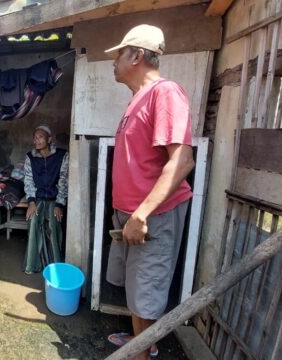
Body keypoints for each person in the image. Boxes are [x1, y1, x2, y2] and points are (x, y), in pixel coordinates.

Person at [103, 24, 195, 359]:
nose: (113, 62)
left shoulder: (165, 92)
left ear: (137, 55)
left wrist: (141, 214)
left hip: (152, 217)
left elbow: (182, 160)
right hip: (131, 217)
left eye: (118, 55)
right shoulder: (136, 100)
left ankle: (142, 353)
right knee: (137, 290)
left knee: (146, 291)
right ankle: (142, 343)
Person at [23, 125, 69, 274]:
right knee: (33, 220)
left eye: (40, 137)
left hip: (55, 198)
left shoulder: (62, 155)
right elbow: (28, 180)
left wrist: (60, 204)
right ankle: (33, 265)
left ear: (49, 139)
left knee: (53, 224)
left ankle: (55, 265)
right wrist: (31, 202)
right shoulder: (30, 157)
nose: (37, 140)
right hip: (37, 198)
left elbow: (64, 180)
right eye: (35, 137)